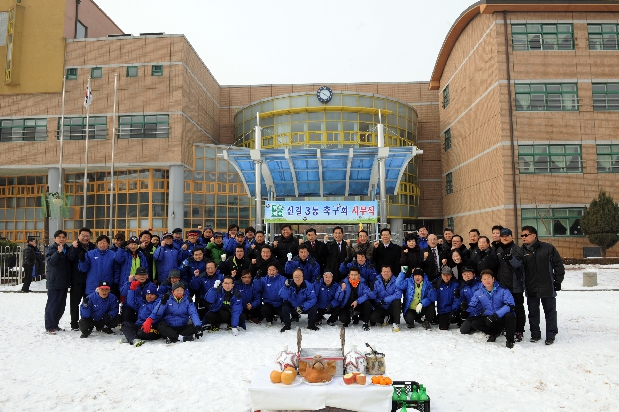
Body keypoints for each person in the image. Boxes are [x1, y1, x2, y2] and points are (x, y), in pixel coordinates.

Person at [520, 225, 565, 345]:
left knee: (550, 312)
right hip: (531, 287)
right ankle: (535, 334)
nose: (523, 237)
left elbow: (558, 265)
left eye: (526, 235)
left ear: (534, 235)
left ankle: (551, 335)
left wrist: (558, 281)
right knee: (533, 312)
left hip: (547, 286)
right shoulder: (521, 251)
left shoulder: (548, 248)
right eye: (522, 235)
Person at [462, 269, 516, 349]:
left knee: (510, 316)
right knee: (475, 323)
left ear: (493, 279)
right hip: (489, 317)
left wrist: (496, 315)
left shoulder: (503, 289)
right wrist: (466, 308)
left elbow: (510, 305)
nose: (487, 280)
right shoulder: (479, 292)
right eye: (484, 279)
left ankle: (510, 340)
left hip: (502, 317)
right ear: (481, 280)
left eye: (489, 278)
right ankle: (494, 333)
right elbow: (473, 306)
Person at [494, 228, 526, 342]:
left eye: (507, 235)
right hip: (502, 285)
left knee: (518, 308)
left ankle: (519, 330)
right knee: (503, 308)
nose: (505, 238)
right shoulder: (498, 249)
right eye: (502, 236)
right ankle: (505, 327)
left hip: (515, 284)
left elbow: (518, 265)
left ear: (511, 236)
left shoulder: (517, 249)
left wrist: (510, 259)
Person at [67, 227, 96, 330]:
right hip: (77, 280)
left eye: (87, 236)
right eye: (83, 235)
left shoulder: (93, 247)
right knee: (75, 303)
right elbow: (70, 258)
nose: (85, 238)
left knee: (89, 302)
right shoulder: (74, 246)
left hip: (90, 280)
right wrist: (74, 249)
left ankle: (87, 323)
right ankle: (74, 323)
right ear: (79, 236)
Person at [44, 230, 72, 334]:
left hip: (64, 282)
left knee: (61, 305)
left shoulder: (67, 249)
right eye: (59, 237)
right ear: (55, 239)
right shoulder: (51, 249)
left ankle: (55, 324)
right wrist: (58, 252)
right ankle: (49, 326)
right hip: (54, 282)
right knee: (52, 305)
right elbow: (51, 262)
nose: (62, 239)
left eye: (63, 237)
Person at [115, 236, 149, 302]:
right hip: (127, 281)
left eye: (135, 244)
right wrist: (121, 248)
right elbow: (118, 259)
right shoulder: (124, 254)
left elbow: (146, 268)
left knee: (137, 300)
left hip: (139, 281)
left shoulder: (141, 255)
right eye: (131, 244)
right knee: (126, 301)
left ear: (137, 245)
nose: (133, 246)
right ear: (128, 245)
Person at [370, 266, 403, 332]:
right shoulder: (376, 281)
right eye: (384, 272)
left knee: (397, 301)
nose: (386, 273)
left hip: (392, 305)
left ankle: (396, 323)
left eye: (388, 271)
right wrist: (378, 301)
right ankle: (385, 318)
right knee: (372, 318)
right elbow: (373, 295)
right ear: (381, 273)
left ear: (391, 272)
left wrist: (385, 300)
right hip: (381, 306)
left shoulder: (396, 280)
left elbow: (398, 294)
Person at [433, 266, 460, 330]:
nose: (446, 277)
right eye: (444, 275)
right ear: (441, 275)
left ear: (451, 275)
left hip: (452, 309)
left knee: (456, 319)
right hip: (443, 310)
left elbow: (457, 299)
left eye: (448, 275)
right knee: (443, 327)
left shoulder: (455, 284)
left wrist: (454, 310)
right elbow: (433, 298)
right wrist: (433, 289)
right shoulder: (438, 284)